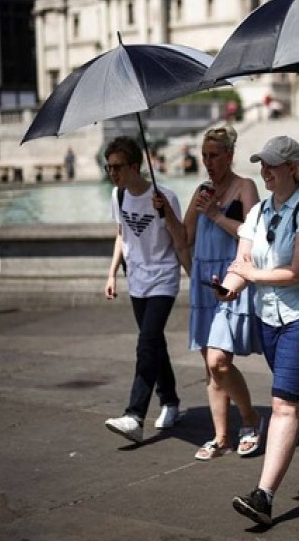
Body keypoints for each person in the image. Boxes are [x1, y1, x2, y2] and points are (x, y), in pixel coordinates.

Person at [221, 136, 299, 526]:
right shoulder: (256, 213)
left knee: (283, 405)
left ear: (293, 168)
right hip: (269, 319)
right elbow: (241, 261)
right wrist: (229, 287)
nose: (265, 171)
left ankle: (264, 495)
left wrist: (251, 276)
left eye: (273, 165)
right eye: (262, 164)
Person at [183, 126, 264, 460]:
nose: (207, 162)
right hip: (204, 281)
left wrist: (215, 215)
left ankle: (250, 419)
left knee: (219, 361)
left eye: (214, 155)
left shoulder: (245, 187)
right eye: (204, 155)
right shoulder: (201, 190)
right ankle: (220, 437)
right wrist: (164, 211)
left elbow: (256, 233)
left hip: (230, 280)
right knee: (210, 365)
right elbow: (183, 235)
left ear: (229, 155)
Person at [103, 136, 188, 443]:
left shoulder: (165, 195)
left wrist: (165, 212)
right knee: (154, 343)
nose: (112, 173)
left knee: (146, 342)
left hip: (163, 276)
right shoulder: (118, 195)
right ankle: (170, 401)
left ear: (135, 166)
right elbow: (121, 235)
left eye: (117, 167)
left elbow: (181, 238)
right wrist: (112, 273)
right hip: (136, 277)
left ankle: (135, 415)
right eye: (108, 167)